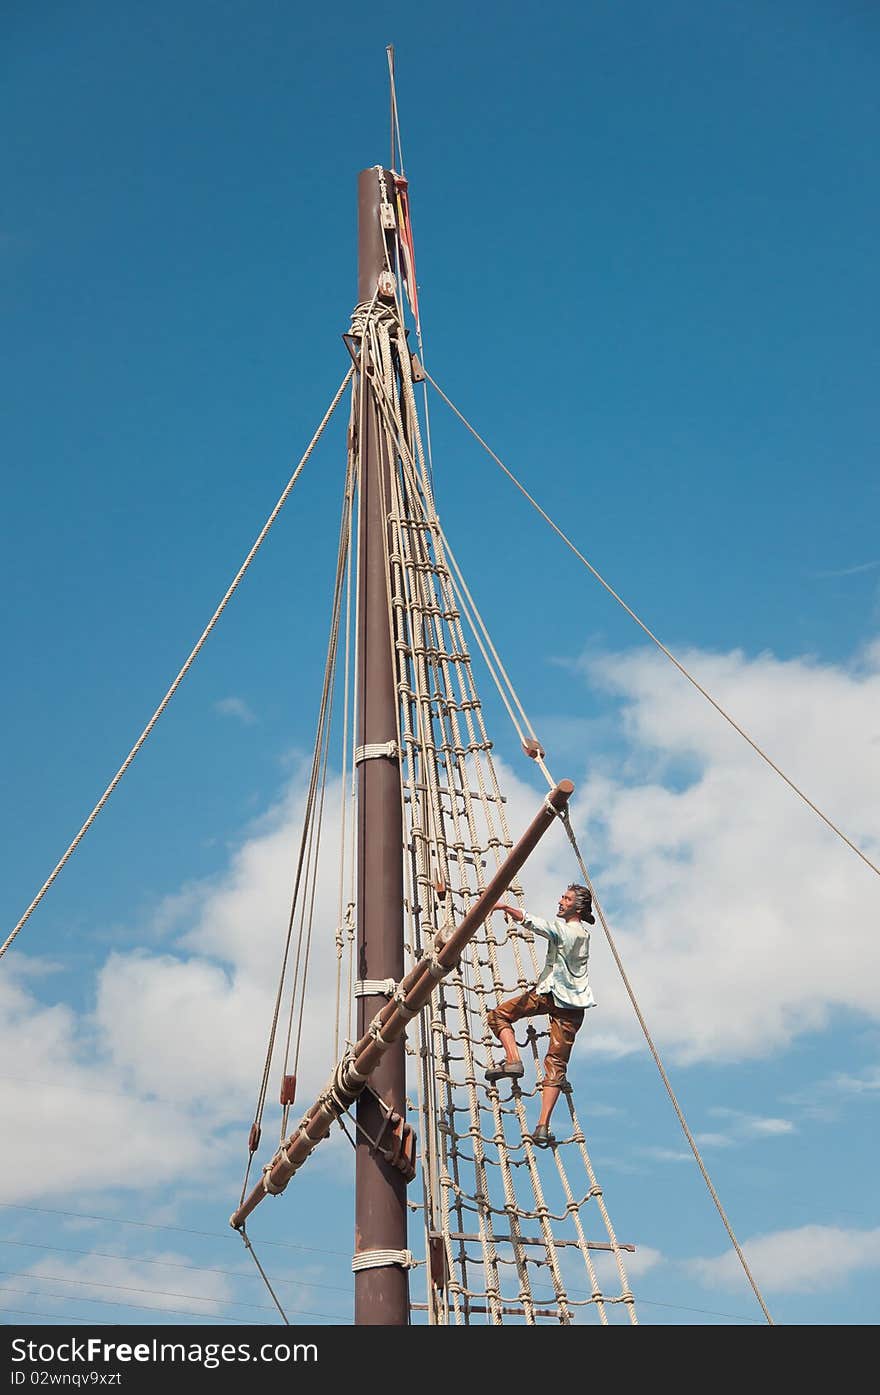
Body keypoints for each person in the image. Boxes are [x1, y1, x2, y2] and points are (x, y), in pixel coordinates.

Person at [485, 884, 596, 1147]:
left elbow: (542, 926)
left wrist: (507, 907)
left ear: (577, 907)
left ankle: (513, 1059)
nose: (560, 901)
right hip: (574, 1007)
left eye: (566, 899)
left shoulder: (568, 932)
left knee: (498, 1016)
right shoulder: (584, 935)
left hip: (549, 995)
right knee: (556, 1065)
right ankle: (542, 1126)